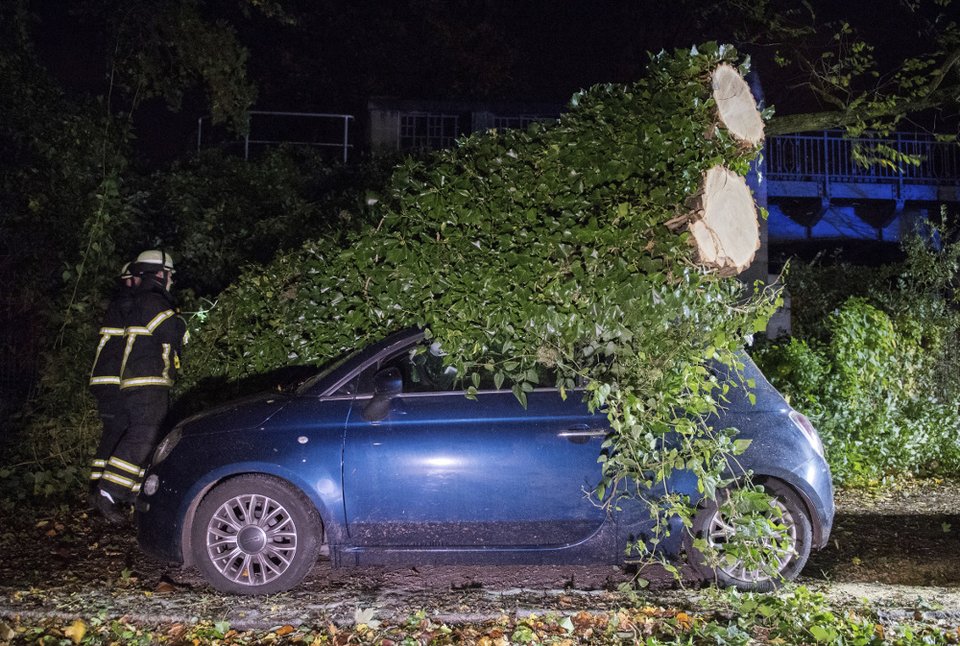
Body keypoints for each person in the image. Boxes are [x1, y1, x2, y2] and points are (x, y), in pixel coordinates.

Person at [95, 250, 187, 520]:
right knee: (143, 435)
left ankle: (130, 493)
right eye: (169, 275)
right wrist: (181, 321)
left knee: (146, 436)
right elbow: (172, 332)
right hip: (147, 380)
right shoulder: (152, 301)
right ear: (161, 274)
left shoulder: (144, 300)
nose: (171, 280)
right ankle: (108, 491)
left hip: (143, 380)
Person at [88, 262, 140, 523]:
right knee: (119, 433)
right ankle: (105, 493)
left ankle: (102, 489)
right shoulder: (128, 303)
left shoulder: (122, 302)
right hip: (112, 381)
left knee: (114, 434)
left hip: (108, 381)